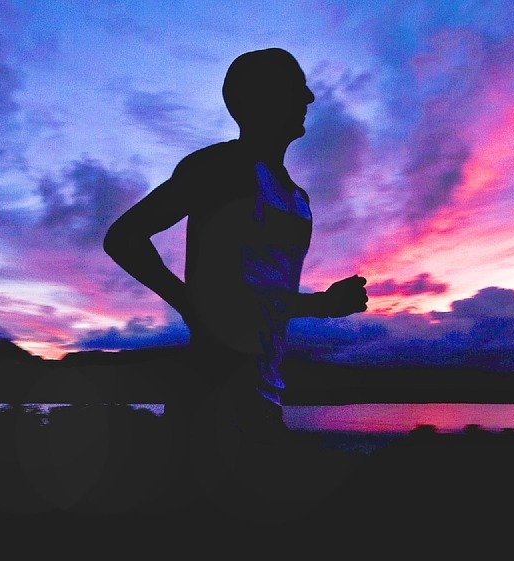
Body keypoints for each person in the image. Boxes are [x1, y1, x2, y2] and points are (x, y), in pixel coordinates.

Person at [103, 48, 368, 503]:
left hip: (263, 391)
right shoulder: (219, 168)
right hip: (214, 389)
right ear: (259, 98)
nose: (308, 96)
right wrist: (189, 304)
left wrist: (322, 304)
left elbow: (261, 294)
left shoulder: (297, 196)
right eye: (294, 86)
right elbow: (124, 237)